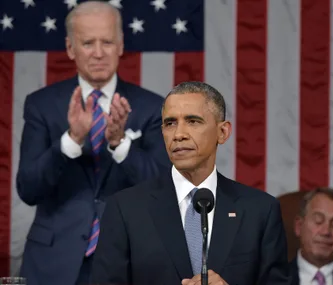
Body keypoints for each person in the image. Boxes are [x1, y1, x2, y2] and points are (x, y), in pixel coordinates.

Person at [16, 2, 171, 285]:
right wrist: (70, 141)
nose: (99, 53)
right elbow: (28, 188)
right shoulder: (41, 106)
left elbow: (162, 189)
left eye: (107, 42)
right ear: (70, 47)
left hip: (128, 264)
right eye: (88, 43)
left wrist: (120, 143)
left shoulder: (152, 107)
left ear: (121, 45)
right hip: (54, 265)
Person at [90, 81, 291, 285]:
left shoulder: (260, 211)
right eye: (170, 123)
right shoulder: (125, 209)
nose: (179, 135)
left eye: (193, 121)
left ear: (222, 133)